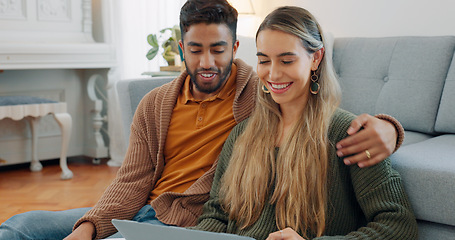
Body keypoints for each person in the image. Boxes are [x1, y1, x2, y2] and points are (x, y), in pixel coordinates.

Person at [0, 1, 404, 239]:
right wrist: (89, 227)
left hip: (183, 222)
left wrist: (390, 127)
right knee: (20, 227)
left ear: (234, 47)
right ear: (181, 47)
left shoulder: (256, 96)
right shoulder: (169, 107)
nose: (207, 62)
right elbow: (133, 182)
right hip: (146, 213)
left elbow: (324, 114)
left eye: (219, 49)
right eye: (196, 49)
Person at [191, 6, 417, 240]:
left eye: (286, 61)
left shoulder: (349, 135)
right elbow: (216, 215)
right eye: (264, 60)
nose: (273, 74)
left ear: (315, 58)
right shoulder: (242, 134)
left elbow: (398, 225)